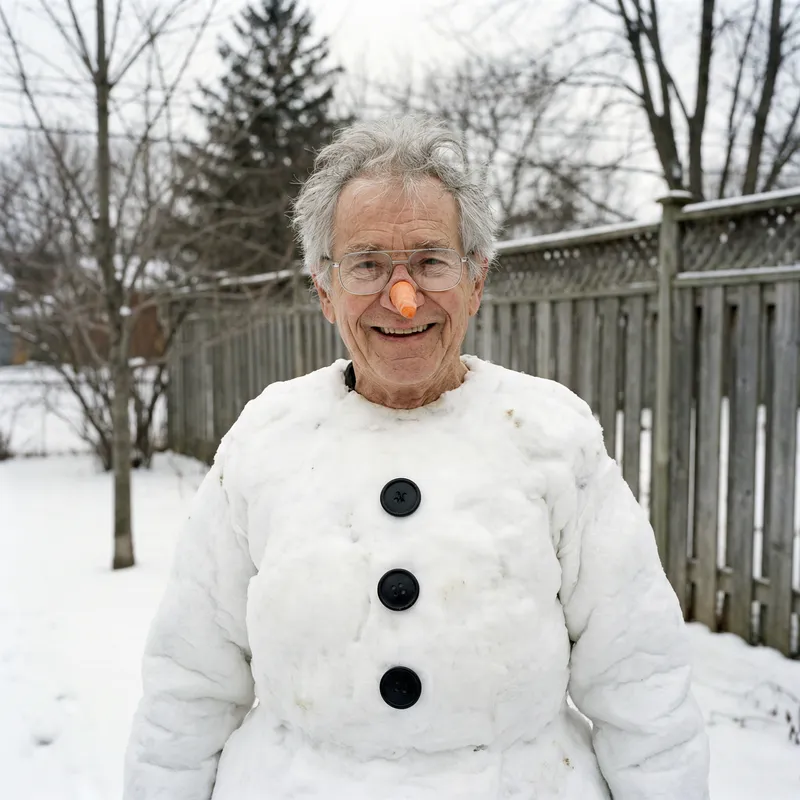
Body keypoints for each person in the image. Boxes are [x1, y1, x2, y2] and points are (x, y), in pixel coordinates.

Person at [123, 115, 709, 800]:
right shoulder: (265, 442)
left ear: (476, 280)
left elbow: (639, 679)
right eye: (367, 264)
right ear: (324, 291)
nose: (403, 298)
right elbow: (189, 685)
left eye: (430, 261)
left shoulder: (554, 439)